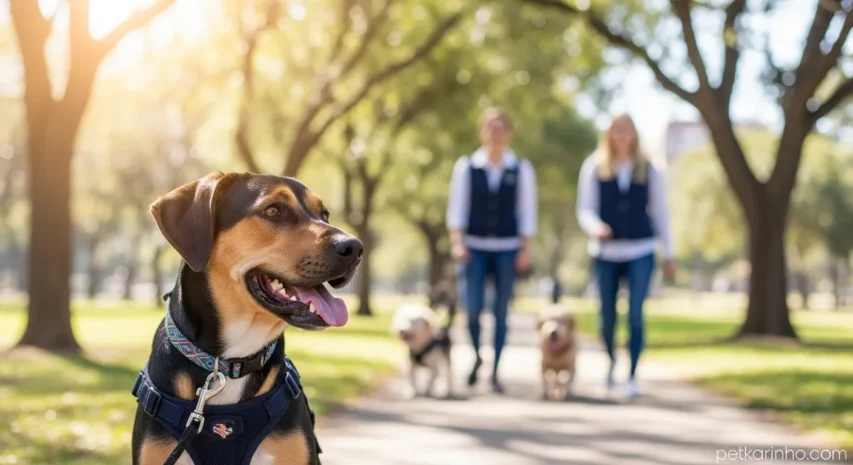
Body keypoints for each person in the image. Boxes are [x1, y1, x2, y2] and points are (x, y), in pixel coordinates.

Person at [576, 114, 674, 398]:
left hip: (640, 249)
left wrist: (669, 252)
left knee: (635, 314)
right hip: (606, 251)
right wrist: (596, 227)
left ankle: (631, 374)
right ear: (608, 134)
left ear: (633, 134)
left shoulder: (649, 169)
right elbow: (585, 209)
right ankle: (610, 360)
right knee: (606, 314)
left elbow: (660, 213)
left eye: (625, 130)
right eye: (615, 130)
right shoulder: (594, 167)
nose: (620, 135)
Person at [447, 107, 537, 394]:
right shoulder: (467, 167)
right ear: (483, 132)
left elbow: (526, 213)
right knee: (472, 310)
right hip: (474, 248)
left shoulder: (521, 168)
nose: (496, 135)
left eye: (501, 129)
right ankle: (477, 356)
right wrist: (458, 242)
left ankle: (495, 371)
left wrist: (525, 250)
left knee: (501, 311)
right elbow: (457, 209)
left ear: (508, 134)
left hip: (508, 248)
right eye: (491, 129)